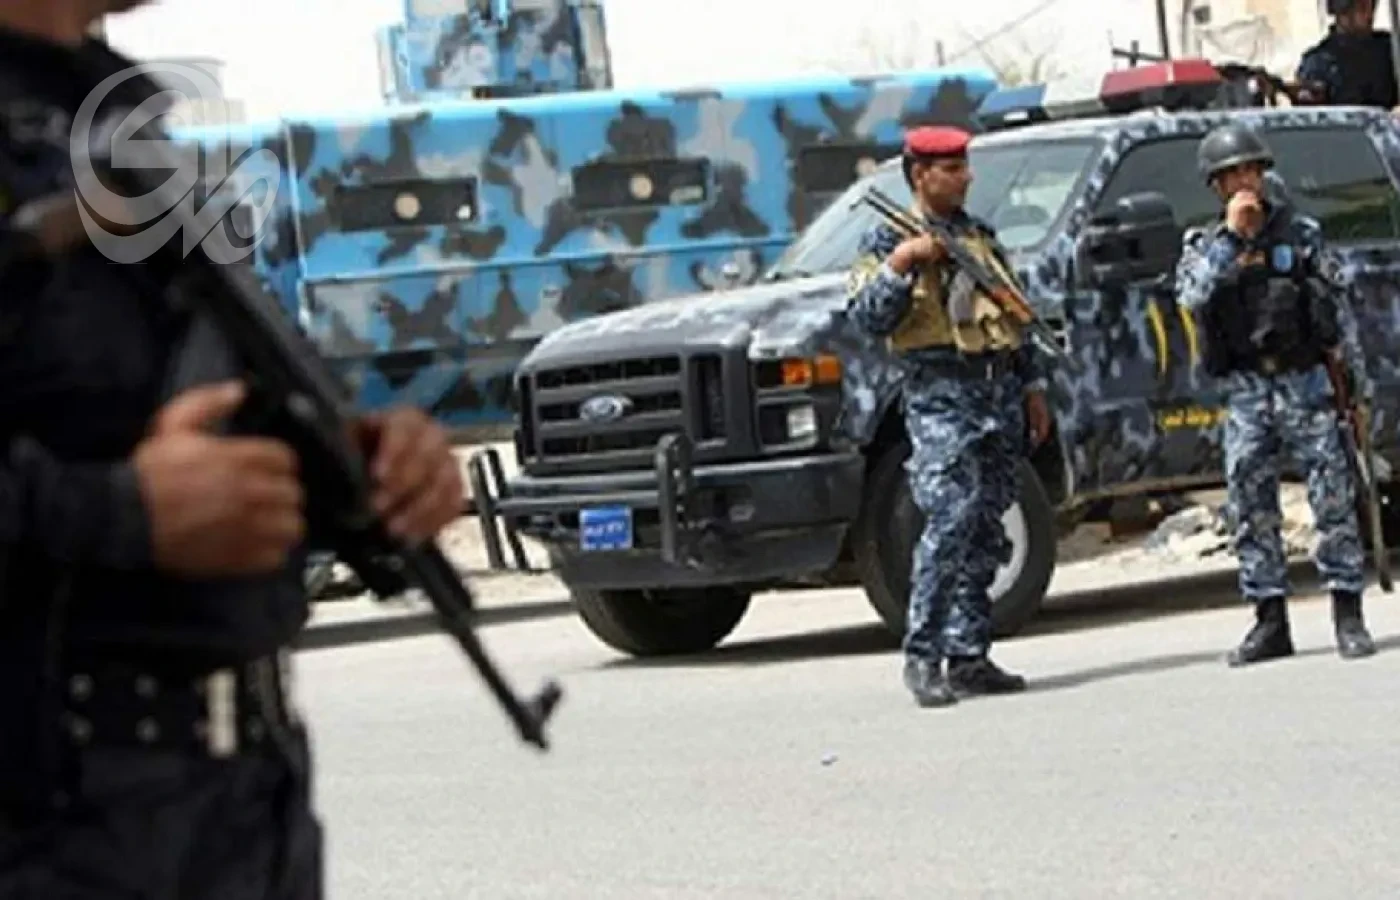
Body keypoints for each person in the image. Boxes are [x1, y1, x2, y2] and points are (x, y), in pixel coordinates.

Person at [0, 2, 465, 897]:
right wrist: (120, 512)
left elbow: (198, 398)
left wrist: (355, 469)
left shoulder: (107, 111)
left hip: (239, 813)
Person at [845, 125, 1052, 708]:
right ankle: (924, 654)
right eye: (952, 169)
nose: (965, 178)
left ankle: (969, 654)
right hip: (941, 396)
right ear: (920, 175)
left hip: (996, 394)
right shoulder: (887, 238)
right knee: (947, 524)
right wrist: (904, 263)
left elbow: (1014, 315)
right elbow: (867, 316)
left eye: (965, 166)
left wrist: (1033, 388)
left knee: (987, 527)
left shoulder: (978, 237)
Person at [1176, 121, 1377, 667]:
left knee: (1333, 498)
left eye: (1252, 171)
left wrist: (1356, 391)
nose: (1246, 182)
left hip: (1304, 383)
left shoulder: (1301, 234)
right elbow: (1192, 297)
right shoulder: (1203, 245)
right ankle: (1269, 621)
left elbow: (1338, 313)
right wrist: (1231, 240)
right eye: (1233, 175)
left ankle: (1348, 613)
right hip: (1246, 391)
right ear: (1216, 185)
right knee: (1250, 505)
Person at [1294, 0, 1399, 109]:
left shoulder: (1390, 48)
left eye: (1371, 6)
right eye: (1362, 7)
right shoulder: (1317, 62)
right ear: (1342, 12)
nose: (1368, 14)